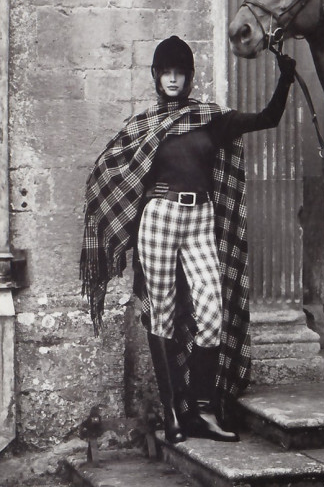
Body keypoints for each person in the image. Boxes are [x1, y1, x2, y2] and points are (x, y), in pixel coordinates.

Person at [81, 35, 295, 445]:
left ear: (190, 76)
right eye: (166, 73)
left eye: (180, 72)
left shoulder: (210, 119)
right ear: (157, 77)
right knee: (160, 313)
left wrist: (284, 80)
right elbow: (109, 171)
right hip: (159, 219)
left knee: (212, 313)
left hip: (201, 220)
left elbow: (267, 118)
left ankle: (203, 411)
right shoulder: (143, 126)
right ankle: (172, 412)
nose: (174, 79)